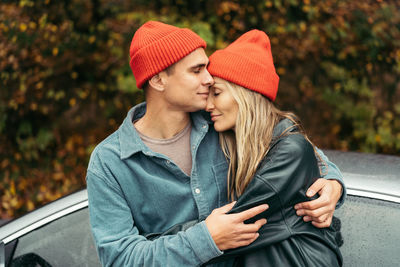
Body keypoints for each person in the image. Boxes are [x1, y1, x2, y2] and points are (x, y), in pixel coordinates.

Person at [86, 21, 345, 267]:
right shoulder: (109, 162)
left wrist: (333, 183)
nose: (209, 79)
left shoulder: (221, 123)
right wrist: (205, 239)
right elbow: (120, 259)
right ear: (158, 80)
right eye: (196, 70)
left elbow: (293, 146)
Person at [202, 29, 343, 266]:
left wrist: (152, 243)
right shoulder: (240, 147)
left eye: (216, 93)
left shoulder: (290, 150)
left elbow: (236, 225)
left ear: (245, 95)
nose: (207, 105)